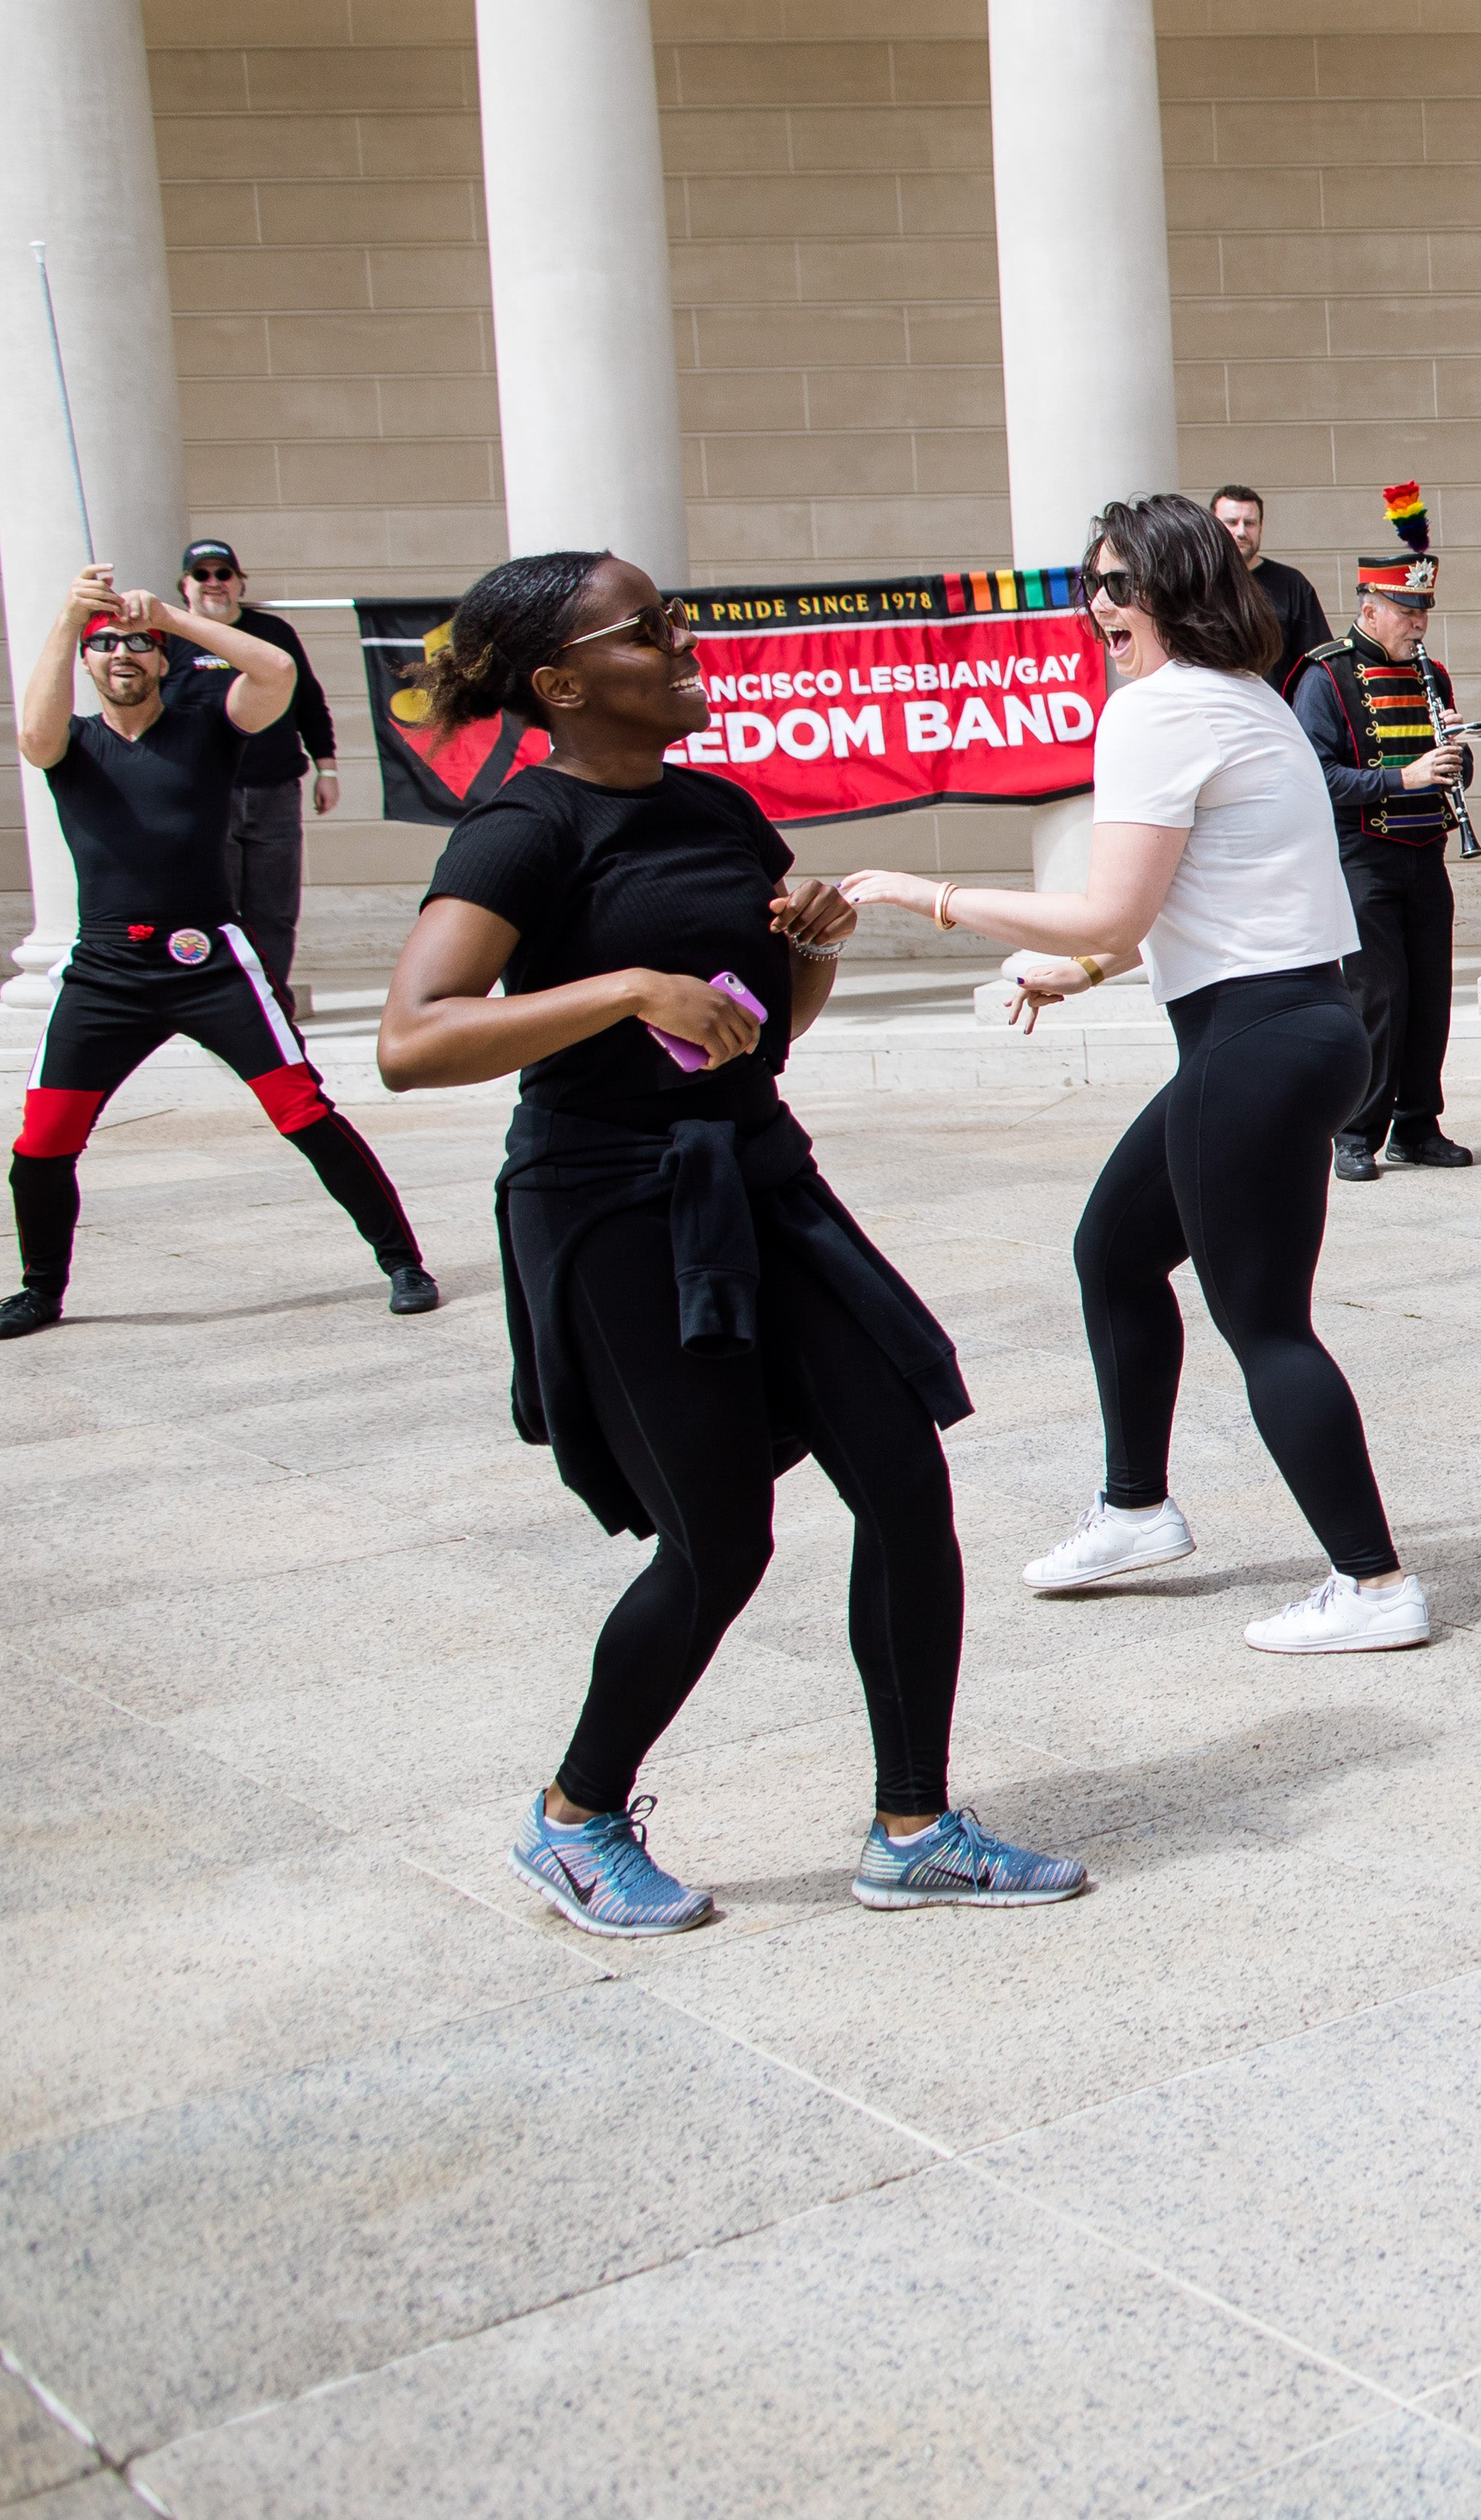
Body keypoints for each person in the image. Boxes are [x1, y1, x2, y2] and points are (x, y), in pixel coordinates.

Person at [375, 550, 1082, 1932]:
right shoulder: (524, 829)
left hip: (757, 1172)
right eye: (649, 628)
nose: (682, 641)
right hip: (616, 1205)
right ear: (562, 683)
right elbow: (414, 1038)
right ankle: (575, 1819)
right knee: (719, 1540)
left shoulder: (719, 809)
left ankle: (914, 1825)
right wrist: (623, 986)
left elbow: (769, 1024)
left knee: (901, 1473)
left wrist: (809, 944)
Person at [846, 491, 1433, 1653]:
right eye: (1089, 585)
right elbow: (1162, 911)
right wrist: (1072, 971)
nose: (1098, 606)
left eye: (1119, 585)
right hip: (1293, 1026)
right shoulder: (1249, 701)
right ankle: (1135, 1509)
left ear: (1175, 588)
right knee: (1114, 1253)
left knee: (1266, 1325)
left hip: (1257, 1041)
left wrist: (933, 895)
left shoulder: (1160, 711)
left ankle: (1373, 1585)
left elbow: (1112, 902)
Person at [0, 564, 434, 1340]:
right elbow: (33, 735)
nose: (121, 654)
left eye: (138, 644)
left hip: (210, 963)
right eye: (104, 646)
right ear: (85, 664)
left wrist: (169, 613)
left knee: (304, 1113)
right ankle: (40, 1292)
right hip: (105, 970)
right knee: (42, 1142)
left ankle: (403, 1263)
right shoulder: (74, 744)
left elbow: (278, 672)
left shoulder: (203, 725)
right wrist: (69, 618)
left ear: (162, 660)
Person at [1293, 483, 1473, 1181]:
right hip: (1362, 855)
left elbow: (1447, 767)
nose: (1417, 623)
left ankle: (1418, 1124)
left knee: (1430, 994)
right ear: (1369, 607)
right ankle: (1354, 1131)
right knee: (1375, 998)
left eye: (1423, 610)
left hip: (1425, 852)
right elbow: (1316, 779)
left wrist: (1456, 757)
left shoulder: (1436, 674)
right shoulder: (1327, 675)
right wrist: (1403, 778)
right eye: (1406, 609)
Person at [172, 540, 340, 1005]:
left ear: (240, 583)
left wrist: (327, 769)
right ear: (185, 585)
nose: (213, 583)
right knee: (214, 906)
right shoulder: (168, 639)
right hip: (205, 794)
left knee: (275, 909)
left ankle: (269, 997)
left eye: (222, 574)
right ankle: (222, 999)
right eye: (201, 575)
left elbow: (309, 701)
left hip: (276, 790)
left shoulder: (273, 632)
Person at [1210, 482, 1336, 674]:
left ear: (1260, 528)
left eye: (1250, 523)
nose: (1241, 532)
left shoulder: (1292, 585)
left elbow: (1318, 664)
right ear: (1212, 526)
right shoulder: (1196, 583)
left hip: (1276, 702)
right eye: (1231, 522)